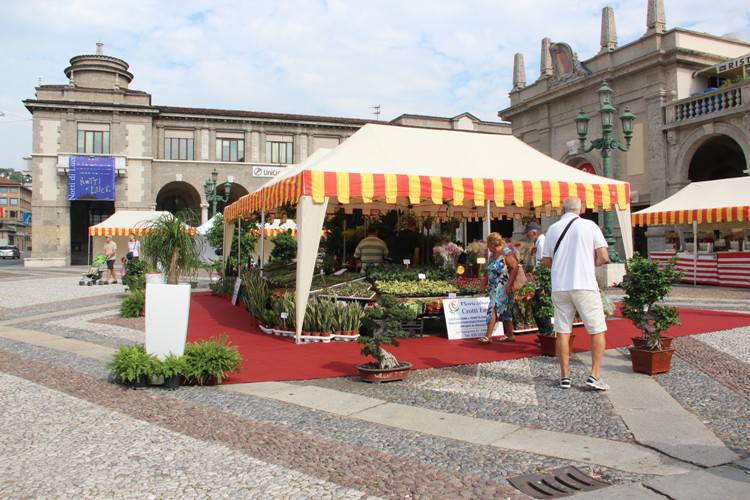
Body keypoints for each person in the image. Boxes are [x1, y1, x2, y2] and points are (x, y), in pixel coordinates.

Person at [541, 197, 609, 391]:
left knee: (563, 330)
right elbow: (603, 256)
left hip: (560, 285)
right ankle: (594, 375)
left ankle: (565, 377)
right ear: (581, 209)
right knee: (597, 329)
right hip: (584, 283)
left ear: (563, 209)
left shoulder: (553, 229)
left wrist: (561, 264)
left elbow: (546, 260)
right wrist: (589, 264)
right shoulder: (590, 226)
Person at [479, 232, 520, 344]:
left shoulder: (506, 253)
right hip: (494, 287)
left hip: (503, 287)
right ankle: (510, 335)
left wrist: (509, 285)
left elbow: (515, 267)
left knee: (492, 308)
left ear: (493, 244)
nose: (488, 247)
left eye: (488, 244)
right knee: (505, 312)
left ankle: (488, 336)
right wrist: (483, 284)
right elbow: (489, 271)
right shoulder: (492, 255)